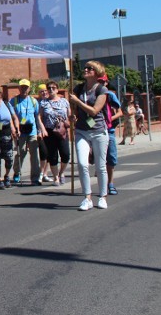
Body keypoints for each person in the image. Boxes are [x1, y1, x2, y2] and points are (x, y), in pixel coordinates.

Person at [69, 61, 110, 211]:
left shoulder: (102, 90)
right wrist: (72, 115)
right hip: (81, 130)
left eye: (89, 68)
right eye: (85, 68)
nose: (85, 70)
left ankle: (103, 197)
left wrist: (77, 101)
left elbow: (94, 111)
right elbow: (74, 109)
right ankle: (87, 197)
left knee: (100, 166)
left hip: (98, 130)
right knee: (82, 163)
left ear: (97, 71)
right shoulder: (78, 88)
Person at [36, 81, 71, 186]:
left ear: (57, 89)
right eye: (49, 88)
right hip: (49, 131)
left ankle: (62, 172)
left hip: (62, 131)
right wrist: (43, 129)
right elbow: (39, 117)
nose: (51, 89)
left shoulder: (64, 101)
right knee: (53, 156)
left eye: (53, 87)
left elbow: (69, 115)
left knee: (65, 154)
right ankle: (56, 177)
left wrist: (70, 122)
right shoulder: (44, 103)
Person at [11, 79, 42, 186]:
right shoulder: (14, 101)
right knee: (21, 153)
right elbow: (11, 117)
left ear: (29, 88)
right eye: (22, 87)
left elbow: (37, 117)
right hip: (20, 131)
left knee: (34, 155)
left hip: (32, 131)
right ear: (19, 88)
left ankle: (35, 177)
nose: (24, 89)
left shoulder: (33, 101)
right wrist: (14, 130)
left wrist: (39, 131)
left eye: (26, 87)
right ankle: (16, 173)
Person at [0, 86, 18, 189]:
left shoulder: (7, 104)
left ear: (0, 93)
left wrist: (15, 128)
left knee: (9, 157)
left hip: (6, 133)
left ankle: (6, 176)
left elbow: (12, 118)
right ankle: (0, 178)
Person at [104, 82, 123, 196]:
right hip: (94, 131)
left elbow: (120, 112)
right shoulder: (89, 94)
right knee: (93, 158)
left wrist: (109, 120)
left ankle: (110, 184)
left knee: (111, 158)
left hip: (109, 130)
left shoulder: (110, 95)